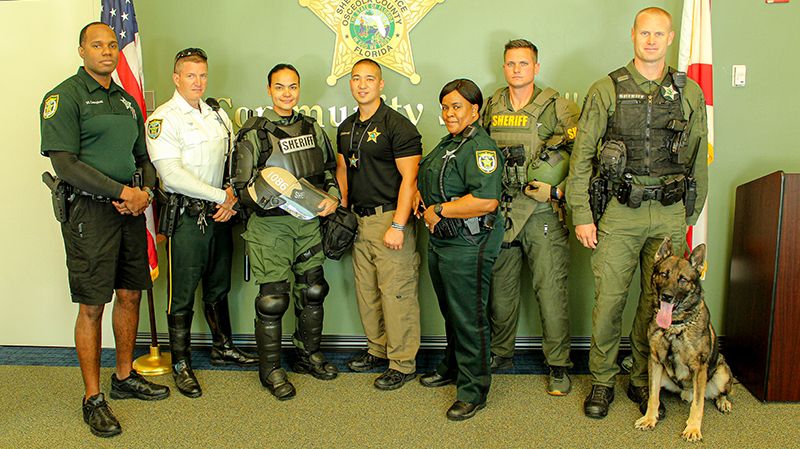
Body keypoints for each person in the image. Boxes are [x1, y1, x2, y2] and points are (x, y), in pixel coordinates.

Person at [565, 7, 708, 419]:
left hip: (669, 212)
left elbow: (698, 157)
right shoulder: (606, 89)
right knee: (609, 301)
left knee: (656, 304)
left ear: (670, 38)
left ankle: (644, 378)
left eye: (658, 34)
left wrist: (689, 215)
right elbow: (582, 157)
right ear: (633, 35)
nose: (651, 40)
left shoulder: (688, 92)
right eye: (644, 33)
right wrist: (582, 214)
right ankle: (603, 380)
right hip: (620, 213)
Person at [39, 22, 170, 438]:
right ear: (82, 50)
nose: (108, 51)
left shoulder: (127, 101)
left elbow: (143, 156)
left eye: (113, 45)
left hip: (130, 211)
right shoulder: (65, 97)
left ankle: (124, 376)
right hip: (89, 214)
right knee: (93, 304)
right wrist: (121, 191)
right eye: (97, 45)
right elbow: (65, 164)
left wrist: (143, 192)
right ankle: (93, 397)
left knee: (130, 293)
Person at [145, 48, 257, 399]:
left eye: (203, 75)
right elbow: (172, 175)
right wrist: (220, 196)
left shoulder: (216, 114)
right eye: (190, 75)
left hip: (220, 215)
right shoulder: (163, 119)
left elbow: (231, 160)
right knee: (181, 295)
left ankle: (223, 346)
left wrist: (231, 194)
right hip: (187, 217)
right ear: (176, 78)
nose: (198, 82)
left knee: (218, 285)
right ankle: (181, 363)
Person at [234, 64, 341, 400]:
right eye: (279, 87)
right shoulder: (253, 133)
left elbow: (328, 170)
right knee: (273, 299)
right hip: (271, 228)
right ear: (269, 90)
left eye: (292, 86)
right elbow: (240, 188)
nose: (286, 93)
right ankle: (270, 369)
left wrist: (333, 197)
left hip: (308, 224)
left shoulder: (312, 128)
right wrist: (266, 194)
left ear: (299, 89)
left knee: (313, 290)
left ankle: (308, 354)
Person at [483, 39, 579, 395]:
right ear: (503, 67)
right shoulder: (491, 105)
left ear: (536, 67)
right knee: (500, 293)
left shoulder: (559, 107)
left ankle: (559, 364)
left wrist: (557, 192)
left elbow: (584, 156)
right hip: (504, 210)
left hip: (542, 213)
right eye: (511, 63)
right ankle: (500, 353)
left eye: (524, 63)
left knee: (551, 292)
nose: (517, 69)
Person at [416, 79, 504, 421]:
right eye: (445, 107)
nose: (449, 113)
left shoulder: (480, 148)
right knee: (452, 311)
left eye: (456, 106)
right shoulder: (450, 142)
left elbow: (486, 200)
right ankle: (452, 367)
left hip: (469, 243)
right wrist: (422, 199)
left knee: (469, 316)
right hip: (443, 240)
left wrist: (439, 209)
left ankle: (473, 390)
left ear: (474, 110)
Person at [335, 59, 422, 390]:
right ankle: (377, 349)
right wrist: (343, 214)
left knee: (396, 293)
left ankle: (402, 362)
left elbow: (410, 179)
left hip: (389, 218)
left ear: (381, 84)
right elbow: (343, 172)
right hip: (358, 221)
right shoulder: (346, 127)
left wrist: (398, 225)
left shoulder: (398, 126)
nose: (362, 85)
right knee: (367, 292)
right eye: (356, 78)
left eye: (369, 79)